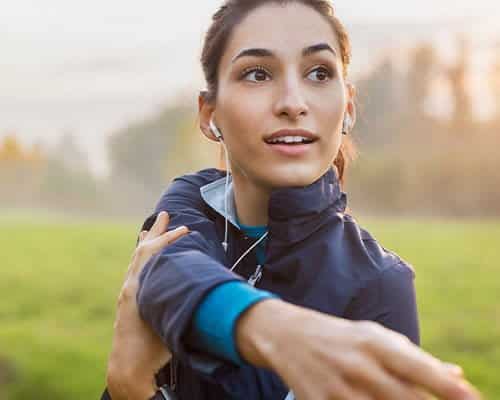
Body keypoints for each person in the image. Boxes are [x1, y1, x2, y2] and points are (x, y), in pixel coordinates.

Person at [103, 1, 481, 399]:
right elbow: (166, 269)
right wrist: (275, 330)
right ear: (209, 113)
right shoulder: (191, 198)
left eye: (319, 73)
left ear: (347, 108)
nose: (292, 102)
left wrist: (131, 387)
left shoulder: (380, 285)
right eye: (258, 74)